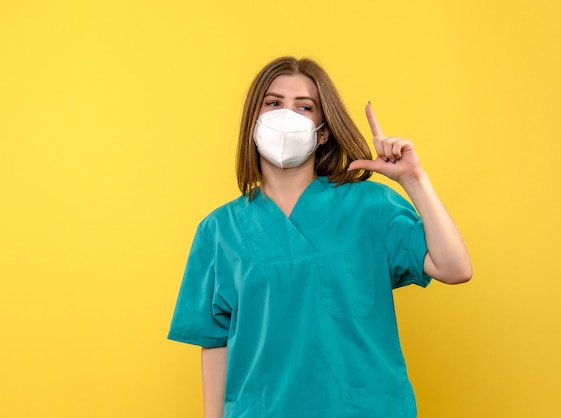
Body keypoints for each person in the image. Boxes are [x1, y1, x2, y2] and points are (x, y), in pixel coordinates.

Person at [168, 56, 472, 418]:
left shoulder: (370, 206)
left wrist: (414, 180)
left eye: (304, 106)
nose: (287, 115)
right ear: (255, 120)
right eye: (274, 103)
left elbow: (455, 268)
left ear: (323, 131)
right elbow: (214, 342)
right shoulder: (219, 230)